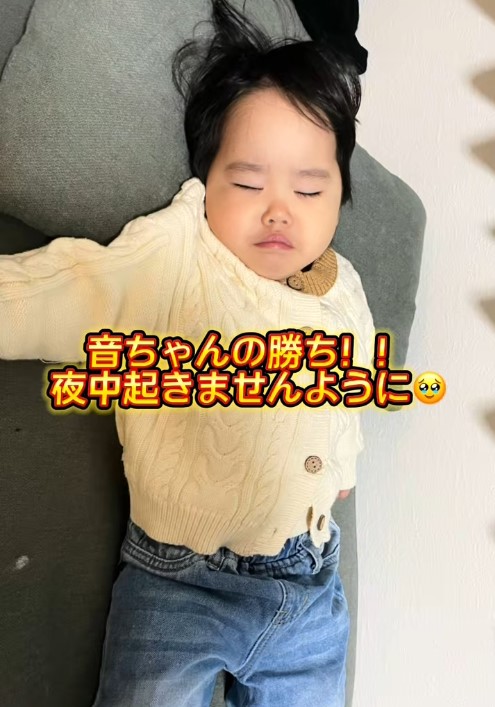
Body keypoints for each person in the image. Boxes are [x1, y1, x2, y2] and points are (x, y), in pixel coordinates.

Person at [0, 1, 374, 705]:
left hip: (310, 585)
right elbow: (65, 288)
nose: (279, 208)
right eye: (248, 182)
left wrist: (343, 464)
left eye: (308, 188)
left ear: (337, 198)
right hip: (179, 581)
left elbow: (350, 379)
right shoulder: (175, 255)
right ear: (206, 185)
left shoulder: (343, 285)